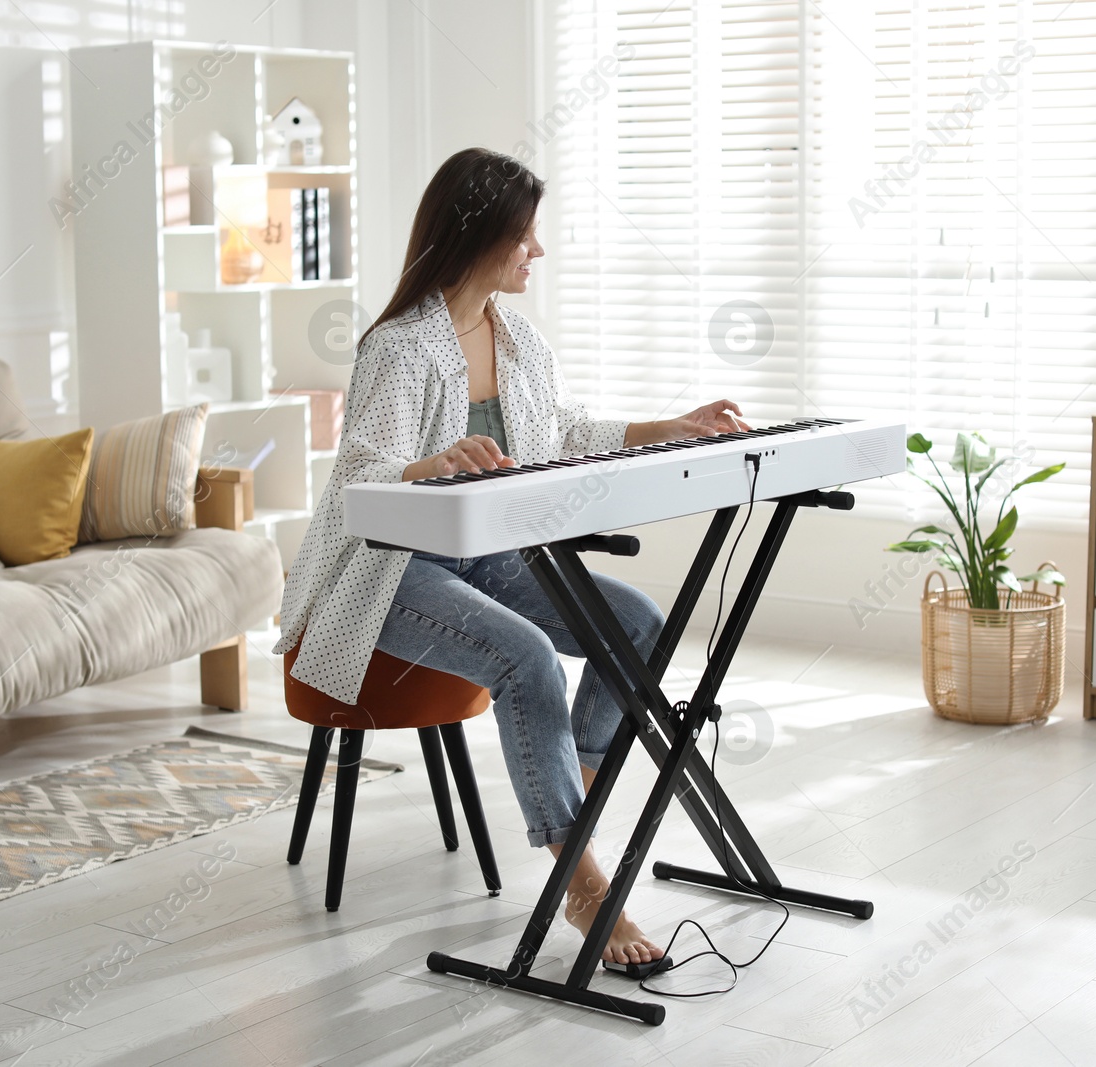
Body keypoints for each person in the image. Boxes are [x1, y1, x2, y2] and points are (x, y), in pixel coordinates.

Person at [274, 147, 748, 965]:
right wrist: (431, 463)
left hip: (485, 557)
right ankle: (585, 881)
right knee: (528, 657)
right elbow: (357, 475)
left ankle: (579, 795)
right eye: (525, 235)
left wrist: (670, 427)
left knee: (639, 624)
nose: (538, 250)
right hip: (391, 569)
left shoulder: (519, 339)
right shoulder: (398, 345)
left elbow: (562, 431)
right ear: (481, 235)